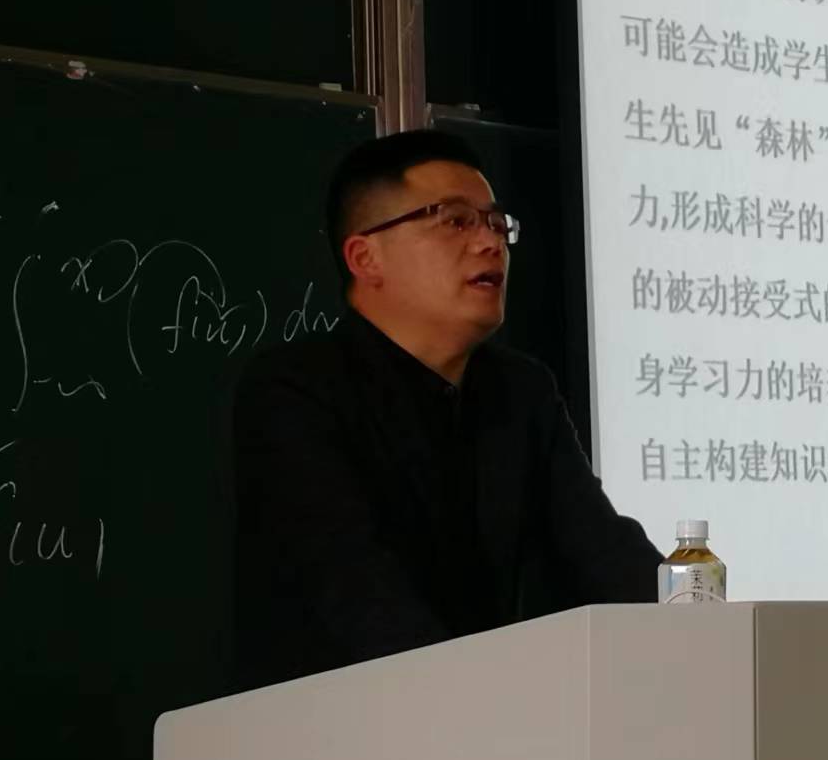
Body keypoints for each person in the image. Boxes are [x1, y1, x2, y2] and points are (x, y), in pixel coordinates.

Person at [232, 129, 659, 685]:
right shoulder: (296, 391)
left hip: (481, 711)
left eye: (496, 224)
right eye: (455, 221)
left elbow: (602, 550)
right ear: (365, 257)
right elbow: (354, 589)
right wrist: (478, 694)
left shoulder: (521, 391)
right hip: (341, 717)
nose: (490, 243)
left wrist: (701, 628)